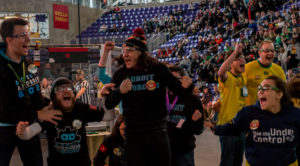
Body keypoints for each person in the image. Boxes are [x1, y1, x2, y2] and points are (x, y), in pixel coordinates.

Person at [103, 27, 194, 166]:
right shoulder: (121, 74)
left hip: (157, 134)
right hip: (133, 136)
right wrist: (119, 91)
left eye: (130, 50)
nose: (125, 54)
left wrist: (189, 86)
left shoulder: (158, 69)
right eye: (124, 50)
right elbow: (109, 104)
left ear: (141, 52)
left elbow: (180, 92)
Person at [0, 18, 62, 166]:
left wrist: (48, 105)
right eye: (22, 35)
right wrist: (38, 114)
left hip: (29, 126)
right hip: (4, 130)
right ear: (9, 40)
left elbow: (34, 94)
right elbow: (4, 110)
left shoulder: (28, 63)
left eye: (28, 34)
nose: (28, 39)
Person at [209, 76, 300, 166]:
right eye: (259, 88)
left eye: (266, 88)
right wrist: (215, 128)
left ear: (279, 94)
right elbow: (233, 128)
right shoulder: (248, 113)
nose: (260, 91)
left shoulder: (295, 115)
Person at [16, 77, 105, 166]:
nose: (66, 91)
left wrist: (106, 97)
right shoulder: (50, 112)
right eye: (60, 89)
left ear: (74, 95)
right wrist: (23, 132)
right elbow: (30, 132)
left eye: (69, 88)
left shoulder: (81, 108)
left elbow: (108, 115)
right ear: (53, 98)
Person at [167, 65, 204, 166]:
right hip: (163, 149)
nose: (172, 82)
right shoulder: (160, 97)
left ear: (183, 80)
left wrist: (197, 121)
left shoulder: (193, 99)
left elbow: (199, 130)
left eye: (176, 79)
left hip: (183, 151)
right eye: (169, 79)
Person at [216, 44, 247, 166]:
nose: (242, 60)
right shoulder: (228, 78)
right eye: (238, 59)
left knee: (238, 162)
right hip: (227, 126)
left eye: (243, 58)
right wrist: (234, 52)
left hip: (240, 128)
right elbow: (220, 72)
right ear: (230, 65)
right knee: (227, 162)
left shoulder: (242, 78)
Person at [245, 40, 286, 106]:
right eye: (267, 51)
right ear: (259, 53)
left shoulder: (278, 70)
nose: (270, 53)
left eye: (272, 51)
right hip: (253, 113)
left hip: (272, 112)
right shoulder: (247, 68)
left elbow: (284, 92)